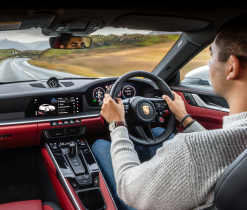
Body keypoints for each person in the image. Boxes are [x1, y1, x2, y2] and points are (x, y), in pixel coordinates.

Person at [92, 16, 247, 210]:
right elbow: (222, 148)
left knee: (99, 146)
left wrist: (117, 125)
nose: (208, 65)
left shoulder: (190, 151)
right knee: (156, 134)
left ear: (231, 67)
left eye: (211, 55)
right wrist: (185, 119)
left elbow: (128, 189)